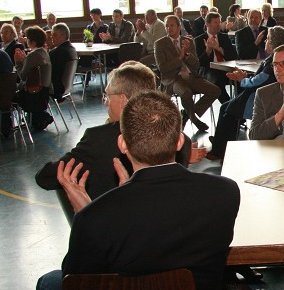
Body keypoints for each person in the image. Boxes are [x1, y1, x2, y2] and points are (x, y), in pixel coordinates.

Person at [37, 91, 239, 290]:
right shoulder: (225, 193)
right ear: (178, 142)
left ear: (122, 145)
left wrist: (88, 214)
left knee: (49, 286)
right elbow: (162, 240)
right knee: (156, 279)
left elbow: (78, 285)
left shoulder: (98, 217)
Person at [36, 62, 195, 200]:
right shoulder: (181, 141)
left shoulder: (98, 139)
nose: (106, 103)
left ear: (124, 100)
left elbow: (46, 177)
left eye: (108, 96)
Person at [206, 26, 284, 161]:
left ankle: (220, 149)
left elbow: (258, 81)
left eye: (268, 39)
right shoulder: (275, 58)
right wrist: (245, 77)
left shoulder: (274, 61)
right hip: (262, 95)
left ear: (275, 42)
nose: (265, 42)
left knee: (228, 111)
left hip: (261, 99)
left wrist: (242, 80)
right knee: (227, 108)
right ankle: (220, 144)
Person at [155, 15, 218, 133]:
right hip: (173, 79)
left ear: (179, 27)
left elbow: (196, 65)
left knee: (215, 90)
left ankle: (188, 114)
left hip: (191, 76)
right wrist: (179, 58)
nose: (169, 28)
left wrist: (187, 53)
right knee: (186, 93)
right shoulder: (160, 44)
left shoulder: (188, 41)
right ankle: (194, 119)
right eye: (167, 26)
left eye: (172, 25)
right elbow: (162, 68)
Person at [13, 26, 53, 132]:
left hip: (33, 95)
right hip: (44, 91)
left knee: (8, 97)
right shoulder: (44, 52)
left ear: (32, 41)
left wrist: (18, 63)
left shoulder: (33, 55)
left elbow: (22, 76)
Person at [195, 11, 238, 102]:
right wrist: (208, 50)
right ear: (207, 24)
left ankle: (238, 105)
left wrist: (219, 49)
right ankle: (228, 107)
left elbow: (233, 57)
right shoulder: (199, 40)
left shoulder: (224, 37)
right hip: (209, 70)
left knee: (240, 80)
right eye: (215, 22)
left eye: (219, 22)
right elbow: (199, 63)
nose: (218, 25)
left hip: (225, 68)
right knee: (218, 83)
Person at [48, 23, 77, 102]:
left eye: (54, 35)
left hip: (56, 88)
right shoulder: (72, 49)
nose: (52, 37)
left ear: (63, 36)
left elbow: (47, 71)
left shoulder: (57, 52)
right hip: (66, 87)